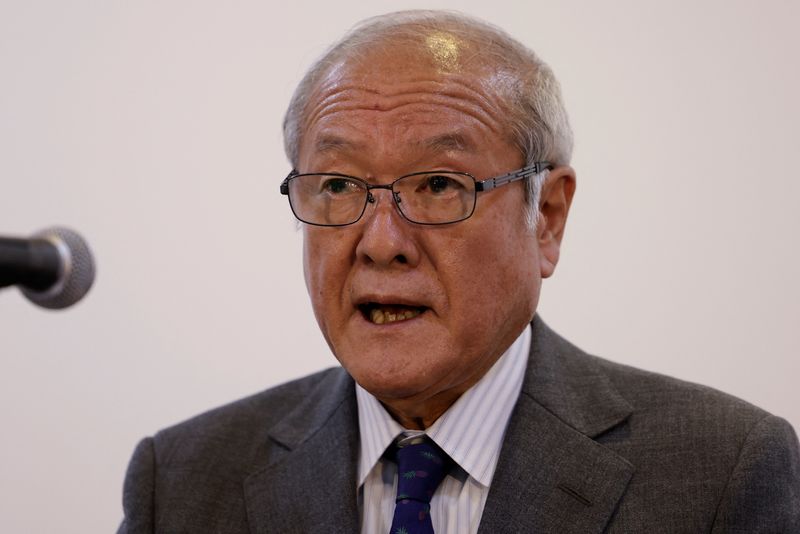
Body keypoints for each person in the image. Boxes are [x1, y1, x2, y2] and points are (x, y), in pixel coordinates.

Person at [118, 10, 800, 533]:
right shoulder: (181, 482)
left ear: (548, 218)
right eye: (335, 186)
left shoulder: (720, 475)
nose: (381, 242)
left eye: (440, 184)